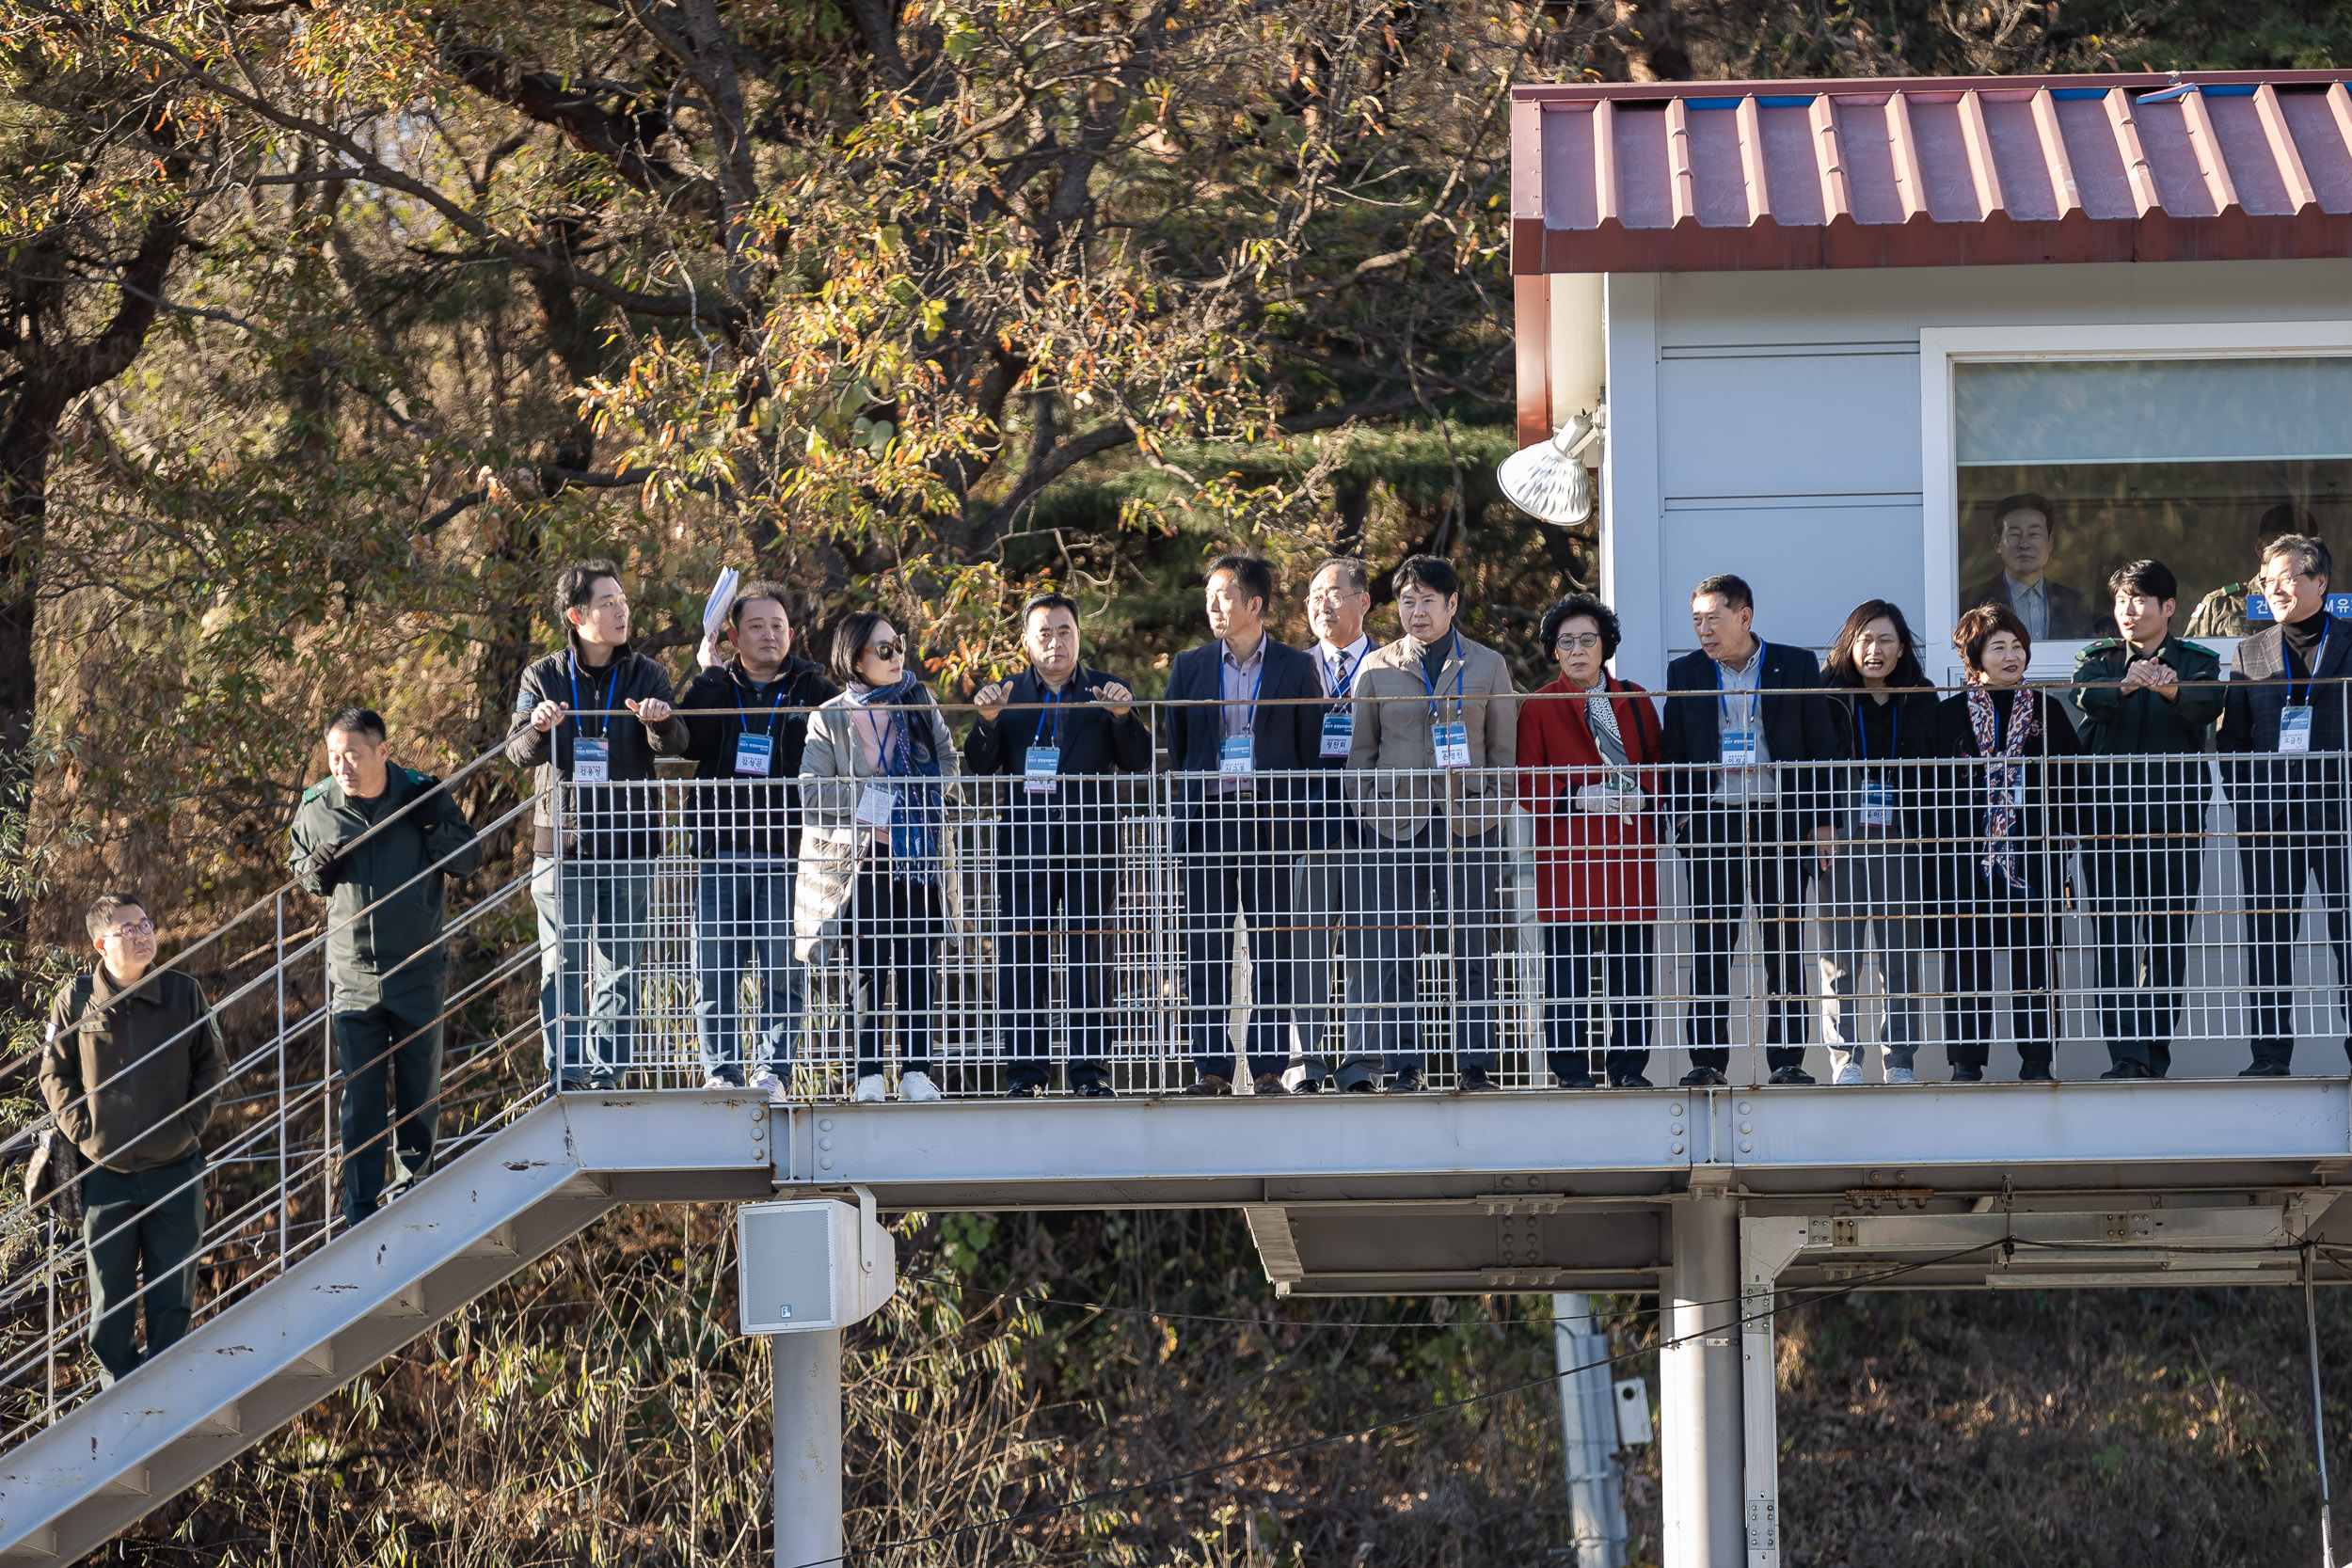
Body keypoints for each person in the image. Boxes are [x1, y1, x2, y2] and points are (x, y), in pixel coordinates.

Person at [288, 707, 482, 1226]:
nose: (341, 766)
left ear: (382, 751)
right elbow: (299, 871)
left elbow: (468, 860)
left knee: (419, 1091)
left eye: (351, 754)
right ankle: (360, 1208)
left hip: (417, 969)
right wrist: (315, 871)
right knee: (361, 1096)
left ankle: (412, 1193)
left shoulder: (422, 792)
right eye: (333, 756)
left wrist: (432, 824)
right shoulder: (316, 807)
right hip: (353, 976)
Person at [508, 560, 688, 1089]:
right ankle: (565, 1072)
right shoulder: (541, 676)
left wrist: (660, 721)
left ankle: (608, 1075)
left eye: (623, 601)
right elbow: (517, 751)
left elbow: (677, 745)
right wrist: (540, 726)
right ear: (576, 615)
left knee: (620, 969)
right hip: (563, 845)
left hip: (631, 844)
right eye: (608, 603)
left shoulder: (648, 674)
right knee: (560, 965)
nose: (621, 610)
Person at [1343, 555, 1519, 1092]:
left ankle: (1475, 1063)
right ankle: (1405, 1065)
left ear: (1452, 604)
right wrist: (1370, 807)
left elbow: (1504, 756)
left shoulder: (1488, 665)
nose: (1416, 612)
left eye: (1427, 601)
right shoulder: (1375, 667)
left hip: (1468, 820)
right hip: (1395, 820)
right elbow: (1360, 754)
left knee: (1473, 942)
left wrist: (1490, 808)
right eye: (1407, 601)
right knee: (1394, 944)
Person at [1660, 575, 1844, 1087]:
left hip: (1778, 818)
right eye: (1696, 620)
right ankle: (1707, 1062)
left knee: (1783, 945)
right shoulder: (1686, 672)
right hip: (1714, 821)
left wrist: (1823, 822)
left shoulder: (1796, 664)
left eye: (1713, 618)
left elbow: (1819, 750)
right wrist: (1683, 820)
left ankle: (1787, 1062)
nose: (1703, 630)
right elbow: (1674, 753)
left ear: (1745, 617)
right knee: (1711, 945)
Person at [964, 592, 1150, 1098]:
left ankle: (1090, 1075)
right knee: (1023, 958)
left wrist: (1122, 717)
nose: (1055, 642)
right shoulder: (1006, 695)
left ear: (1079, 636)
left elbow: (1137, 762)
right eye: (1043, 633)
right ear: (1026, 641)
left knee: (1091, 956)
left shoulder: (1108, 691)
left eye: (1064, 631)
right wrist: (987, 723)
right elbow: (978, 766)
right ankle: (1026, 1077)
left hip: (1092, 845)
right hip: (1025, 848)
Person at [40, 894, 224, 1386]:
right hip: (107, 1176)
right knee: (109, 1297)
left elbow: (212, 1066)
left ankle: (168, 1386)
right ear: (101, 943)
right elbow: (53, 1074)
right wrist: (87, 1134)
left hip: (175, 1168)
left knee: (173, 1291)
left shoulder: (184, 993)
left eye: (146, 924)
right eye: (129, 930)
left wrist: (187, 1127)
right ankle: (116, 1388)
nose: (144, 936)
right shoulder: (75, 1000)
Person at [1163, 557, 1324, 1096]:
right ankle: (1210, 1069)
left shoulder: (1296, 666)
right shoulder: (1189, 665)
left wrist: (1296, 820)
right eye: (1208, 595)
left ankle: (1269, 1069)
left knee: (1273, 948)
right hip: (1209, 819)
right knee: (1203, 946)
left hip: (1270, 819)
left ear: (1255, 604)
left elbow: (1308, 751)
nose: (1213, 606)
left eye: (1225, 595)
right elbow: (1182, 749)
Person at [676, 582, 838, 1096]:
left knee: (783, 971)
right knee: (715, 969)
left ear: (790, 632)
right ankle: (720, 1072)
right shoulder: (717, 684)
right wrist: (705, 672)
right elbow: (689, 742)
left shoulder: (813, 687)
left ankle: (773, 1071)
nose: (769, 635)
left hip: (791, 854)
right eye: (756, 626)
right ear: (733, 635)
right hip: (722, 849)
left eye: (778, 626)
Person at [796, 611, 961, 1102]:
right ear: (855, 658)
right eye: (883, 650)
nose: (897, 657)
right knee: (866, 965)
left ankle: (915, 1070)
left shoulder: (919, 700)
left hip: (921, 853)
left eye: (899, 645)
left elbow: (949, 762)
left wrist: (926, 797)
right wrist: (877, 800)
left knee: (916, 962)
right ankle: (866, 1072)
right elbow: (812, 794)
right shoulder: (829, 717)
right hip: (860, 861)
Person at [2070, 561, 2223, 1080]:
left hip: (2174, 825)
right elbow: (2085, 695)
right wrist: (2128, 684)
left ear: (2168, 607)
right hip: (2106, 824)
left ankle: (2154, 1056)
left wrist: (2173, 690)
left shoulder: (2196, 661)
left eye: (2139, 601)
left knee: (2166, 939)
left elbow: (2209, 704)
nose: (2128, 612)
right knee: (2111, 939)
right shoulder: (2101, 659)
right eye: (2120, 603)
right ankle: (2125, 1056)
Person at [1931, 603, 2081, 1083]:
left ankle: (2037, 1060)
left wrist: (2062, 842)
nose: (2012, 655)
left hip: (2031, 854)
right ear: (1974, 657)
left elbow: (2070, 784)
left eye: (2018, 646)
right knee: (1966, 956)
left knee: (2034, 954)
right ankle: (1966, 1063)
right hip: (1965, 857)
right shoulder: (1946, 717)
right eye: (1999, 647)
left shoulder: (2045, 711)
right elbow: (1925, 797)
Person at [2220, 533, 2352, 1076]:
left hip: (2342, 815)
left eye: (2287, 577)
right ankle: (2270, 1057)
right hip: (2270, 819)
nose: (2275, 588)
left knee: (2349, 935)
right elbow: (2232, 741)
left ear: (2319, 582)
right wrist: (2250, 802)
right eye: (2267, 580)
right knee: (2270, 938)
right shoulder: (2250, 652)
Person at [1518, 594, 1662, 1089]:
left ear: (1605, 645)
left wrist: (1645, 796)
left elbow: (1663, 765)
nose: (1577, 650)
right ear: (1554, 651)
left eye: (1587, 639)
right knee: (1566, 969)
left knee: (1630, 967)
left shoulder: (1635, 699)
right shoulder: (1539, 705)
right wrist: (1579, 795)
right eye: (1566, 642)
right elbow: (1526, 782)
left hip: (1628, 847)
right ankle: (1571, 1072)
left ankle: (1627, 1070)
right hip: (1569, 852)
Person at [1817, 602, 1938, 1085]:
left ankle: (1900, 1059)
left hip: (1900, 834)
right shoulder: (1826, 696)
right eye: (1865, 639)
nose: (1875, 650)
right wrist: (1819, 824)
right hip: (1841, 833)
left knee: (1900, 954)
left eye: (1885, 640)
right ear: (1850, 644)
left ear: (1901, 646)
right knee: (1839, 956)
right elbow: (1813, 768)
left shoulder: (1920, 697)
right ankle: (1846, 1059)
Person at [1289, 557, 1376, 1090]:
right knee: (1305, 945)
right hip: (1308, 826)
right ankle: (1304, 1064)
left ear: (1363, 601)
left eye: (1334, 593)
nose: (1323, 603)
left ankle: (1362, 1065)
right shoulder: (1293, 669)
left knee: (1373, 942)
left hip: (1376, 822)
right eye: (1314, 596)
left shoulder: (1392, 665)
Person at [1962, 494, 2096, 641]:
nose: (2024, 544)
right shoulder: (1973, 603)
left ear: (2050, 542)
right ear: (1998, 543)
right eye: (2014, 534)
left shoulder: (2074, 603)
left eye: (2034, 534)